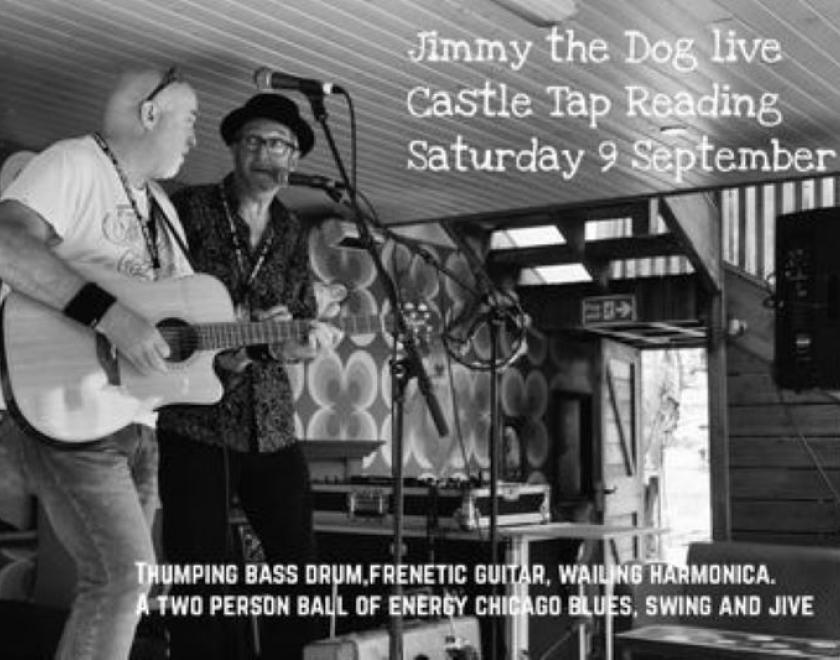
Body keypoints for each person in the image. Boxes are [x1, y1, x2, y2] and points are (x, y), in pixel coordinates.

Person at [0, 68, 198, 660]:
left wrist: (264, 338)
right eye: (190, 120)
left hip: (137, 421)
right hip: (68, 406)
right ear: (149, 113)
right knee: (120, 579)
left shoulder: (163, 211)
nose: (195, 138)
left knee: (128, 586)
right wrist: (109, 316)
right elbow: (6, 243)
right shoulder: (72, 163)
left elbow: (184, 322)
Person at [156, 93, 342, 660]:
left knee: (299, 570)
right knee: (198, 574)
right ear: (235, 150)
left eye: (279, 144)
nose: (266, 153)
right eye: (255, 141)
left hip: (271, 422)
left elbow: (296, 319)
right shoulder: (189, 207)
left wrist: (301, 344)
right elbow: (153, 292)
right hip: (195, 418)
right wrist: (222, 344)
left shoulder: (290, 229)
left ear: (294, 158)